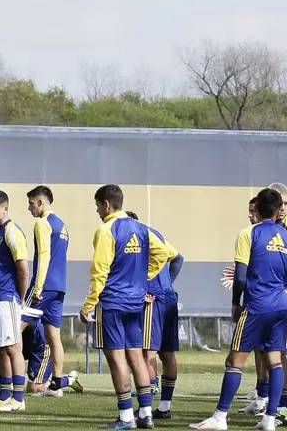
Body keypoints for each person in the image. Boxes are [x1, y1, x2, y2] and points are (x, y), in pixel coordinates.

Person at [189, 188, 287, 431]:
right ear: (278, 210)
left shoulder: (248, 233)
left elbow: (239, 276)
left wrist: (236, 303)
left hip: (257, 306)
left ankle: (219, 418)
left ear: (257, 208)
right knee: (275, 361)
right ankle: (269, 419)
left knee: (234, 361)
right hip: (281, 308)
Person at [80, 184, 177, 430]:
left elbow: (99, 271)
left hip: (113, 301)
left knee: (116, 359)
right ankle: (145, 414)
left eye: (97, 206)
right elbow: (165, 253)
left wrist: (88, 305)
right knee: (136, 356)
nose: (97, 211)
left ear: (106, 204)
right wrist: (143, 279)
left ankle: (125, 417)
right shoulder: (142, 229)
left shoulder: (106, 230)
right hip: (136, 302)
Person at [125, 211, 184, 421]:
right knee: (166, 353)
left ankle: (145, 411)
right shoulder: (154, 234)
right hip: (167, 297)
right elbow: (178, 258)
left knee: (146, 352)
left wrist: (149, 286)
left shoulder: (136, 238)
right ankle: (164, 407)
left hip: (154, 299)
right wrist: (168, 283)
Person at [0, 190, 31, 412]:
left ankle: (18, 399)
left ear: (5, 208)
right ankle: (4, 395)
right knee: (0, 348)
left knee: (12, 347)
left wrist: (19, 299)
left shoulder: (12, 231)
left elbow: (23, 271)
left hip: (7, 297)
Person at [24, 185, 77, 397]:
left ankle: (9, 385)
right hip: (59, 287)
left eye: (30, 203)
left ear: (41, 202)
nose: (29, 208)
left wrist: (37, 288)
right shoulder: (62, 225)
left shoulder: (42, 223)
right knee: (53, 335)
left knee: (14, 329)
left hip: (43, 286)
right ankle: (56, 384)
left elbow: (44, 257)